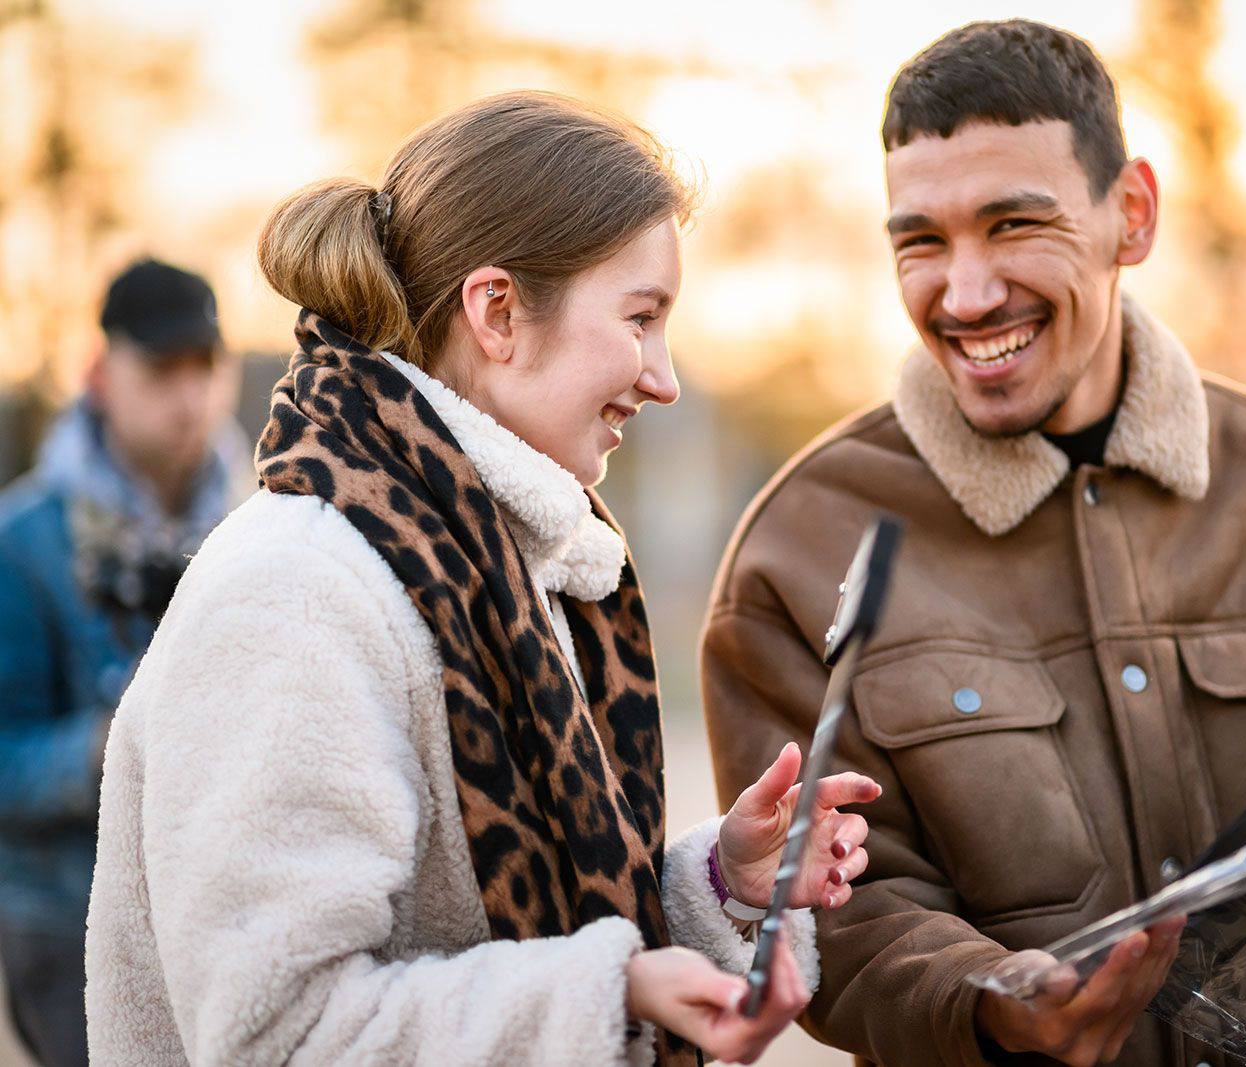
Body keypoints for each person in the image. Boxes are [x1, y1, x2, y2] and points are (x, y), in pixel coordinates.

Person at [700, 20, 1246, 1067]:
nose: (966, 293)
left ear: (1130, 215)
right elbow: (833, 912)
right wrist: (996, 1001)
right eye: (921, 241)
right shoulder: (799, 545)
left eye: (1014, 224)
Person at [85, 92, 882, 1066]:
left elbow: (510, 935)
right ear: (497, 311)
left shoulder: (496, 569)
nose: (663, 377)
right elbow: (278, 1035)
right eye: (640, 318)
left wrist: (722, 884)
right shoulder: (295, 591)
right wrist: (608, 993)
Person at [0, 258, 250, 1067]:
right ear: (100, 375)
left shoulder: (257, 527)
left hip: (224, 917)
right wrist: (113, 744)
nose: (190, 397)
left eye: (204, 366)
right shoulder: (23, 543)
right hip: (68, 925)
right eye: (162, 369)